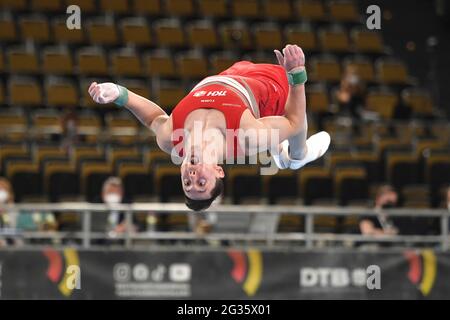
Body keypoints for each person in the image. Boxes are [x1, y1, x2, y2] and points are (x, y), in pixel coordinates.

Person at [88, 44, 331, 211]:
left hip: (233, 74)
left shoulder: (170, 139)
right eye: (202, 184)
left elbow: (154, 119)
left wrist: (119, 94)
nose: (192, 178)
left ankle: (281, 151)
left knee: (276, 137)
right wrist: (296, 76)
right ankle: (297, 156)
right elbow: (295, 121)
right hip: (269, 88)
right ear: (219, 171)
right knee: (293, 140)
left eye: (187, 184)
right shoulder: (247, 138)